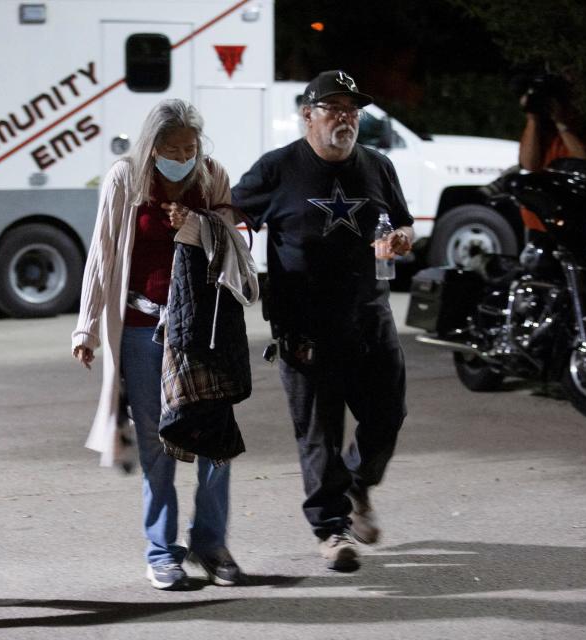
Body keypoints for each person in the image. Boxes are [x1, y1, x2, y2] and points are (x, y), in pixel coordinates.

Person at [231, 70, 413, 571]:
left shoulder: (378, 165)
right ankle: (332, 530)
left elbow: (401, 221)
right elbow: (230, 216)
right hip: (305, 324)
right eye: (334, 108)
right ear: (307, 115)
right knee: (320, 433)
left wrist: (401, 238)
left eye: (352, 110)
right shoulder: (277, 169)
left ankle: (358, 483)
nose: (345, 118)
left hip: (370, 316)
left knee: (387, 415)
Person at [72, 99, 243, 590]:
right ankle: (162, 551)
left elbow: (235, 243)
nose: (182, 157)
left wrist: (192, 225)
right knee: (157, 444)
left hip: (203, 330)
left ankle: (211, 544)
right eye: (171, 149)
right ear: (151, 147)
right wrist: (85, 327)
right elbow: (102, 253)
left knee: (217, 444)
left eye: (190, 147)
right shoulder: (125, 180)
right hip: (144, 330)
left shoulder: (211, 178)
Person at [517, 73, 586, 172]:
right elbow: (529, 165)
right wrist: (532, 118)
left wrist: (560, 123)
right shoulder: (540, 128)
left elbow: (584, 164)